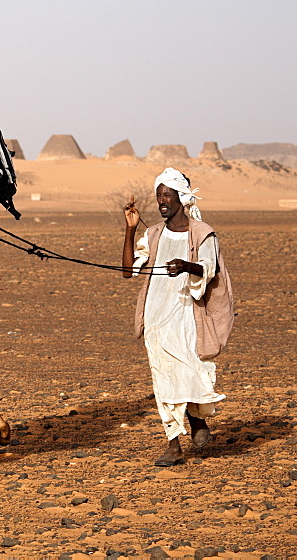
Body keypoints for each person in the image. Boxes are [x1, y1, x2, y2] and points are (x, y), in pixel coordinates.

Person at [121, 168, 234, 467]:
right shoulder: (154, 233)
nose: (161, 201)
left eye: (166, 195)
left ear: (180, 198)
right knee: (163, 377)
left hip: (187, 316)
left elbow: (209, 268)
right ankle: (173, 444)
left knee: (190, 369)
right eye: (158, 195)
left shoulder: (201, 232)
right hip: (156, 318)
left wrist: (186, 265)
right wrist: (131, 229)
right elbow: (128, 270)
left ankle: (196, 419)